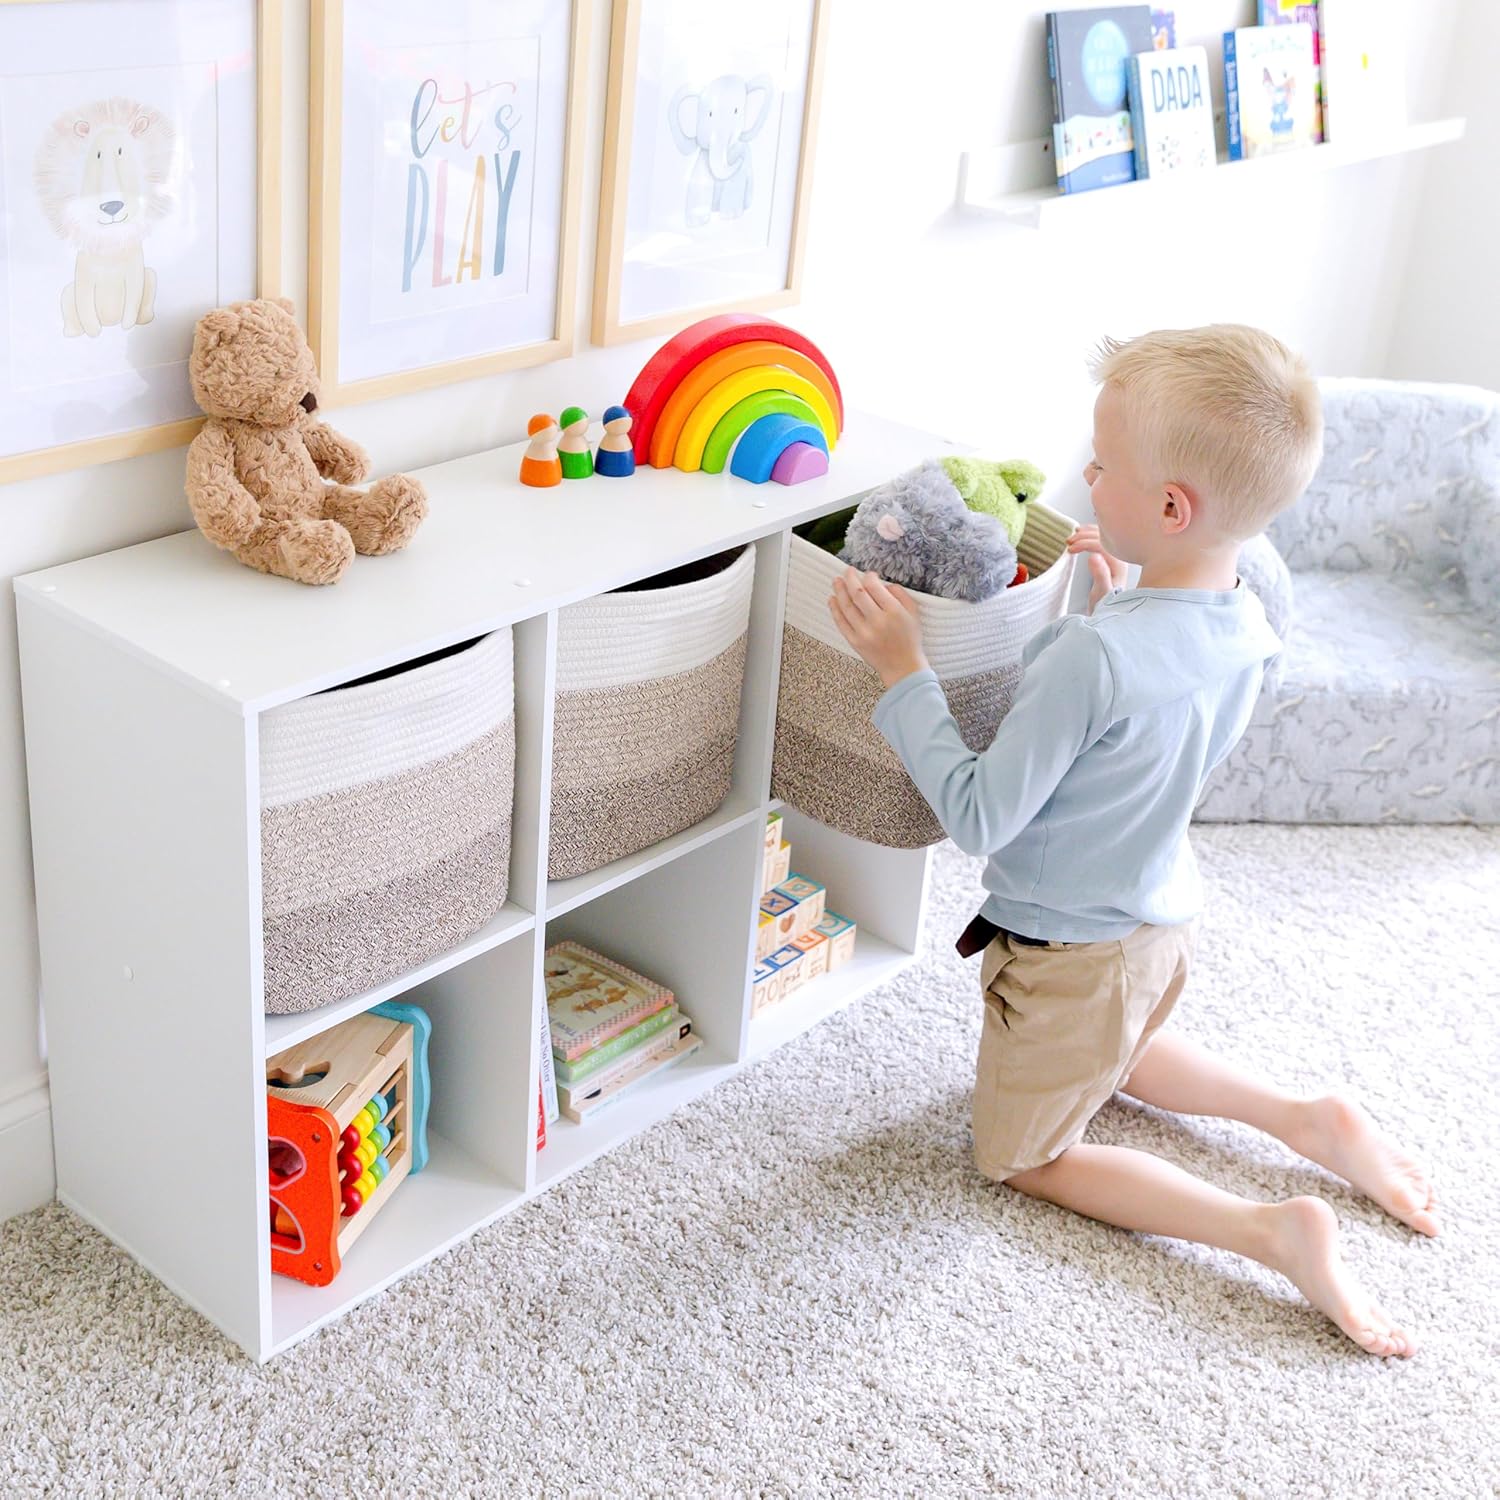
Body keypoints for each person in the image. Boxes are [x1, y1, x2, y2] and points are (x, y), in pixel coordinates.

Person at [827, 325, 1438, 1358]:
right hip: (1155, 928)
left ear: (1169, 509)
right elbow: (1151, 720)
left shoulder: (1089, 659)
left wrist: (905, 673)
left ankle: (1269, 1231)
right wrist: (1118, 589)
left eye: (1102, 466)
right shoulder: (1245, 619)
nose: (1086, 478)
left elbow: (981, 815)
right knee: (1122, 1050)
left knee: (1022, 1154)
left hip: (1077, 953)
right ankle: (1308, 1119)